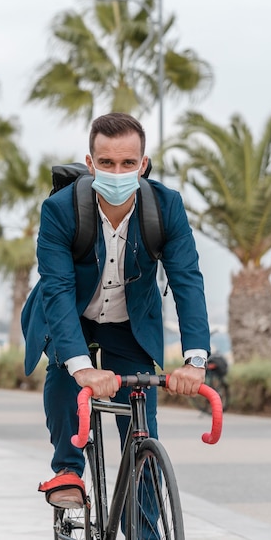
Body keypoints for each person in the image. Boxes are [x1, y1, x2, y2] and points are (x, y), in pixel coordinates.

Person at [21, 112, 210, 510]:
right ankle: (68, 469)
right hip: (71, 314)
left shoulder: (166, 207)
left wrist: (195, 360)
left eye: (128, 163)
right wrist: (81, 366)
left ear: (143, 165)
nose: (118, 172)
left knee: (141, 432)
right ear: (90, 164)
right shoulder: (60, 210)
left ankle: (146, 528)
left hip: (131, 324)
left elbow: (187, 280)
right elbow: (56, 289)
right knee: (65, 376)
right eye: (106, 163)